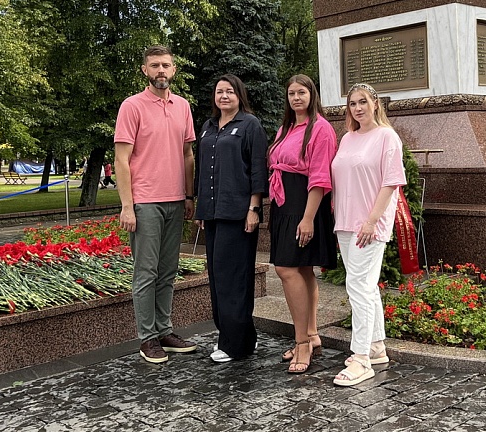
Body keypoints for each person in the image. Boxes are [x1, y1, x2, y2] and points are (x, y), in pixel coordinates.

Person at [114, 45, 198, 364]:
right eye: (154, 65)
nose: (160, 70)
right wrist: (126, 205)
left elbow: (188, 154)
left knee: (168, 271)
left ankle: (164, 329)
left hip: (176, 201)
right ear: (145, 70)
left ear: (174, 70)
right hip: (145, 202)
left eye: (166, 65)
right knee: (146, 272)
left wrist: (189, 196)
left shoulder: (182, 107)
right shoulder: (132, 107)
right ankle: (147, 337)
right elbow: (122, 159)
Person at [330, 83, 406, 387]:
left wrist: (372, 220)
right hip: (346, 222)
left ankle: (361, 359)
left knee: (358, 286)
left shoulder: (387, 137)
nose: (357, 108)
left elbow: (391, 182)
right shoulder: (347, 138)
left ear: (375, 103)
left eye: (363, 102)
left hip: (369, 224)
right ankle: (375, 347)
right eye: (352, 104)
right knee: (366, 286)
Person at [194, 74, 268, 363]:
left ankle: (234, 344)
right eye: (219, 91)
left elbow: (257, 171)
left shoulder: (250, 125)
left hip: (238, 214)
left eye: (230, 92)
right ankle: (239, 337)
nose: (224, 96)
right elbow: (202, 170)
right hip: (212, 214)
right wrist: (202, 210)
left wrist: (254, 209)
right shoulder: (208, 127)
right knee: (217, 277)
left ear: (240, 95)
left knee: (234, 279)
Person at [268, 74, 338, 374]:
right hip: (284, 204)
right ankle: (311, 333)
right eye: (291, 93)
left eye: (302, 92)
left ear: (312, 95)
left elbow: (320, 176)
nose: (296, 98)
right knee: (303, 269)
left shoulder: (320, 128)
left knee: (286, 269)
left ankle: (300, 343)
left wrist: (308, 218)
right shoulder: (285, 128)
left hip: (305, 204)